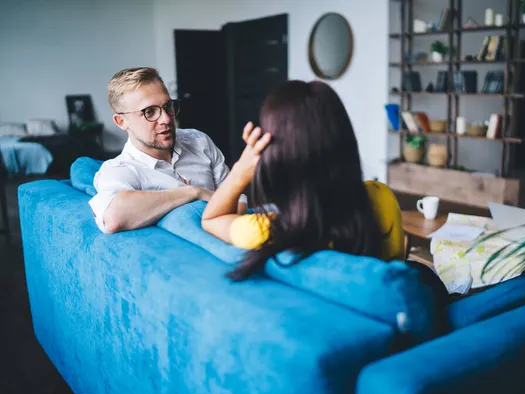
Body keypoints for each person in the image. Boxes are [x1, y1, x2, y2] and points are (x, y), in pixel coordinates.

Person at [201, 80, 405, 281]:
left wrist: (241, 170)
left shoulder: (267, 231)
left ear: (275, 157)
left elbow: (211, 218)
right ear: (345, 140)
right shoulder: (382, 198)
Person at [89, 67, 246, 234]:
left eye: (168, 106)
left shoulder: (199, 141)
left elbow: (240, 202)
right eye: (149, 112)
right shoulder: (120, 169)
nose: (166, 119)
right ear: (121, 121)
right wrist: (193, 193)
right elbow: (113, 218)